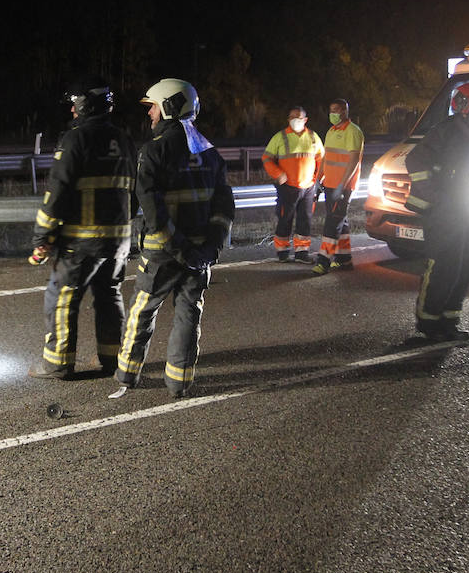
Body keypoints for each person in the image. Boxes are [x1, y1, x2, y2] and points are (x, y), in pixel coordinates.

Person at [115, 78, 234, 398]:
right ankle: (179, 381)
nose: (150, 113)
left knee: (142, 310)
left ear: (169, 106)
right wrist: (211, 246)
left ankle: (127, 373)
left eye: (153, 106)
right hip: (199, 254)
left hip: (163, 253)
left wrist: (176, 246)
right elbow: (224, 204)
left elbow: (150, 207)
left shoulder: (153, 150)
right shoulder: (210, 152)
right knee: (189, 312)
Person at [27, 80, 136, 379]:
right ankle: (113, 359)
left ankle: (58, 362)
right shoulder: (124, 140)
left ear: (83, 107)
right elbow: (134, 192)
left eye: (74, 106)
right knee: (110, 294)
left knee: (62, 296)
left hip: (82, 241)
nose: (72, 111)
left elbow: (58, 191)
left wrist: (43, 237)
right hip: (119, 240)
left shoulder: (75, 139)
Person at [402, 81, 469, 343]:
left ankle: (449, 321)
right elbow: (415, 161)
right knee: (442, 265)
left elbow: (460, 172)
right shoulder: (445, 131)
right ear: (465, 105)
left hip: (462, 206)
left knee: (464, 266)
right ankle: (429, 322)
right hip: (444, 211)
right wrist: (437, 197)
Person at [261, 106, 324, 262]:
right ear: (288, 119)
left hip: (308, 188)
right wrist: (278, 174)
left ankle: (302, 252)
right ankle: (282, 252)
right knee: (285, 219)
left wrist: (317, 179)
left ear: (305, 119)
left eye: (298, 117)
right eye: (292, 117)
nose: (295, 120)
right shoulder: (280, 137)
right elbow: (267, 158)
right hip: (287, 187)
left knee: (305, 220)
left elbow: (321, 160)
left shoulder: (313, 137)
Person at [311, 98, 365, 275]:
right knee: (340, 220)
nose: (332, 114)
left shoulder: (353, 132)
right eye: (331, 110)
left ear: (345, 111)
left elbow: (354, 160)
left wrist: (342, 185)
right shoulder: (331, 131)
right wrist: (319, 180)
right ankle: (344, 259)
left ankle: (323, 261)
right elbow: (327, 158)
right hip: (330, 184)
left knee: (332, 222)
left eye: (336, 110)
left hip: (343, 187)